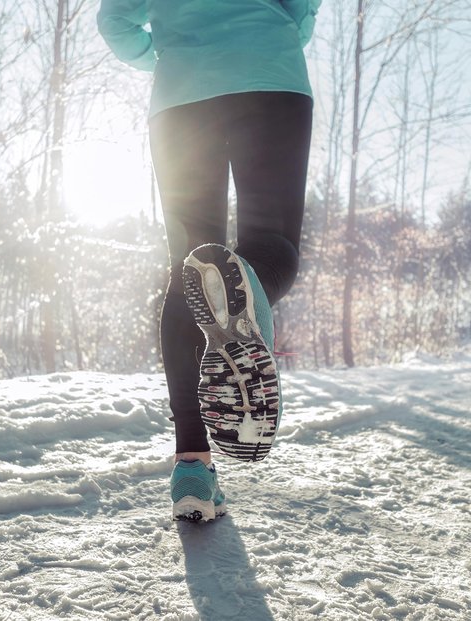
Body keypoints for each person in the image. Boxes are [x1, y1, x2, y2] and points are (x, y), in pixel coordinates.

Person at [97, 0, 319, 522]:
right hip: (270, 77)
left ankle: (192, 470)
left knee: (188, 269)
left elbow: (115, 21)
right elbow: (303, 12)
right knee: (271, 243)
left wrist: (168, 55)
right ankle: (245, 286)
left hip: (180, 97)